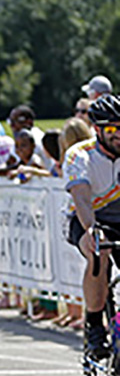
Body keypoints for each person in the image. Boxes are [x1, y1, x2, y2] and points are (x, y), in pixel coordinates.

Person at [63, 94, 120, 359]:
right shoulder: (80, 155)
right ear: (97, 130)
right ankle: (95, 325)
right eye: (111, 129)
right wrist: (91, 228)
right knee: (100, 251)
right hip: (87, 218)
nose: (118, 135)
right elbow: (83, 199)